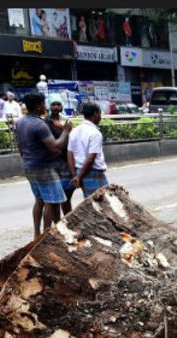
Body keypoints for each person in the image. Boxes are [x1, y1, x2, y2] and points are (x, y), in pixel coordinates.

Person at [16, 92, 72, 239]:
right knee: (52, 202)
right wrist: (65, 132)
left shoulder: (20, 121)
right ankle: (46, 235)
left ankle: (37, 234)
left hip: (29, 166)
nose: (44, 106)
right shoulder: (39, 124)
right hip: (43, 167)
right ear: (37, 105)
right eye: (43, 103)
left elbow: (19, 145)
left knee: (39, 200)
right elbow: (55, 147)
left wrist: (26, 159)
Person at [67, 102, 109, 199]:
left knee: (90, 202)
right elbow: (90, 159)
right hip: (93, 172)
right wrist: (79, 177)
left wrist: (76, 175)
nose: (100, 116)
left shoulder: (74, 131)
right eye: (99, 113)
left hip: (79, 171)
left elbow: (70, 155)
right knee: (102, 203)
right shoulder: (95, 133)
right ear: (95, 113)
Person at [46, 97, 78, 210]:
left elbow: (75, 135)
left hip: (66, 161)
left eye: (58, 104)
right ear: (49, 106)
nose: (56, 107)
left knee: (67, 195)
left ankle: (68, 221)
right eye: (53, 104)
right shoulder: (46, 122)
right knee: (54, 199)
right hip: (53, 162)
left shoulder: (66, 120)